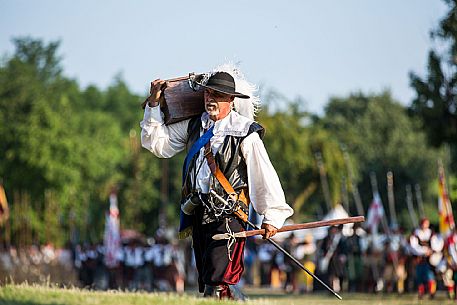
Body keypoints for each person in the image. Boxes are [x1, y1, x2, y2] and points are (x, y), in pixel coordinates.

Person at [140, 65, 293, 300]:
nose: (211, 99)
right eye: (208, 93)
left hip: (229, 217)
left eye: (218, 95)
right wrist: (153, 105)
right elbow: (157, 144)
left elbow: (262, 175)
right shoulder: (194, 126)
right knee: (208, 280)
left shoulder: (245, 133)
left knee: (218, 282)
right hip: (198, 214)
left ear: (231, 100)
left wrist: (271, 216)